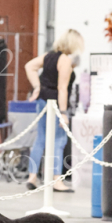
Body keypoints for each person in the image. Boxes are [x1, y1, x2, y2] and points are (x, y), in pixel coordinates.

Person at [24, 29, 84, 192]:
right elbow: (62, 88)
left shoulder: (48, 56)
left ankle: (32, 177)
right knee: (59, 141)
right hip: (55, 104)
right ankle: (56, 180)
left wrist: (37, 87)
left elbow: (29, 66)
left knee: (40, 139)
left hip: (42, 100)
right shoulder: (64, 60)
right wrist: (63, 113)